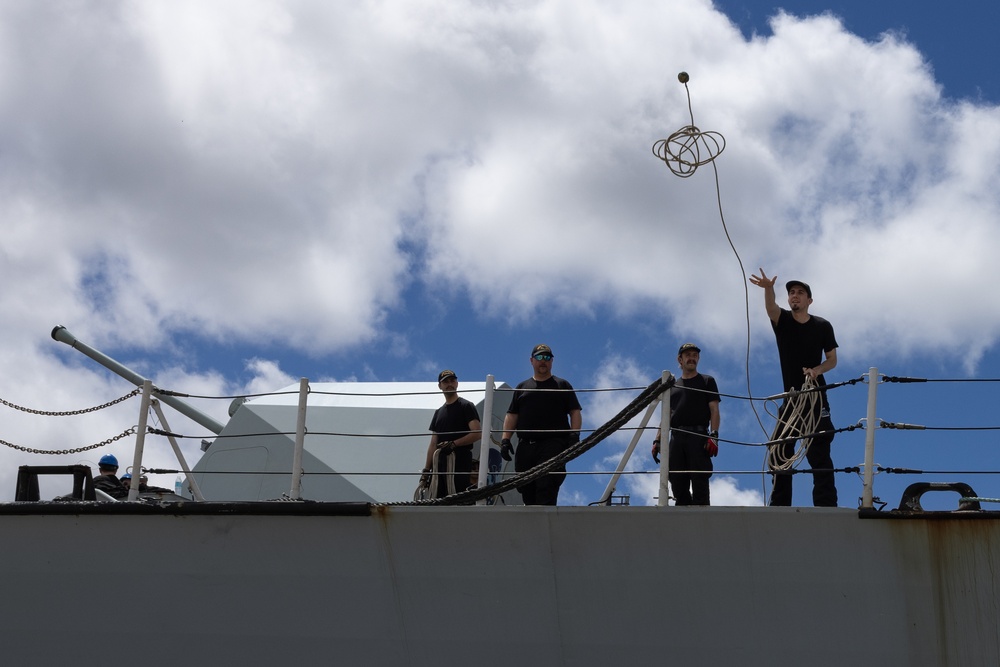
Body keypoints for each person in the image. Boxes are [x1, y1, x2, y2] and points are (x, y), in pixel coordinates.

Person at [750, 269, 839, 507]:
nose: (795, 295)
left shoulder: (822, 326)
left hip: (816, 399)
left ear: (809, 300)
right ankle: (780, 506)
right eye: (791, 292)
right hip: (791, 400)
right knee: (779, 450)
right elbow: (771, 308)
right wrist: (769, 288)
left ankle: (826, 506)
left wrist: (817, 370)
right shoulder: (784, 321)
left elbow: (832, 359)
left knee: (819, 452)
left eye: (800, 292)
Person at [500, 344, 583, 506]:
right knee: (525, 487)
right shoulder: (522, 387)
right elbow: (512, 415)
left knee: (547, 484)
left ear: (552, 361)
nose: (543, 361)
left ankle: (545, 520)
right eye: (539, 357)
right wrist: (505, 440)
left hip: (553, 443)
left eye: (547, 357)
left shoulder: (562, 385)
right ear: (531, 361)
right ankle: (532, 521)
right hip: (526, 446)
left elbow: (574, 411)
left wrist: (575, 435)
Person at [651, 343, 721, 506]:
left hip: (698, 436)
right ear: (680, 359)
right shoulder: (672, 386)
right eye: (688, 355)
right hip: (677, 438)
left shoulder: (707, 381)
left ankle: (702, 517)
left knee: (700, 481)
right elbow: (667, 416)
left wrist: (714, 435)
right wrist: (657, 440)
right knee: (676, 480)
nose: (692, 358)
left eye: (695, 355)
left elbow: (714, 410)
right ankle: (682, 514)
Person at [419, 370, 483, 499]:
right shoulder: (438, 413)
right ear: (440, 386)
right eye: (446, 382)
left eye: (452, 381)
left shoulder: (466, 406)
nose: (449, 384)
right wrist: (426, 471)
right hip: (439, 464)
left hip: (460, 460)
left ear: (457, 383)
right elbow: (433, 443)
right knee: (437, 499)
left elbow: (477, 433)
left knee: (458, 498)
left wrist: (454, 444)